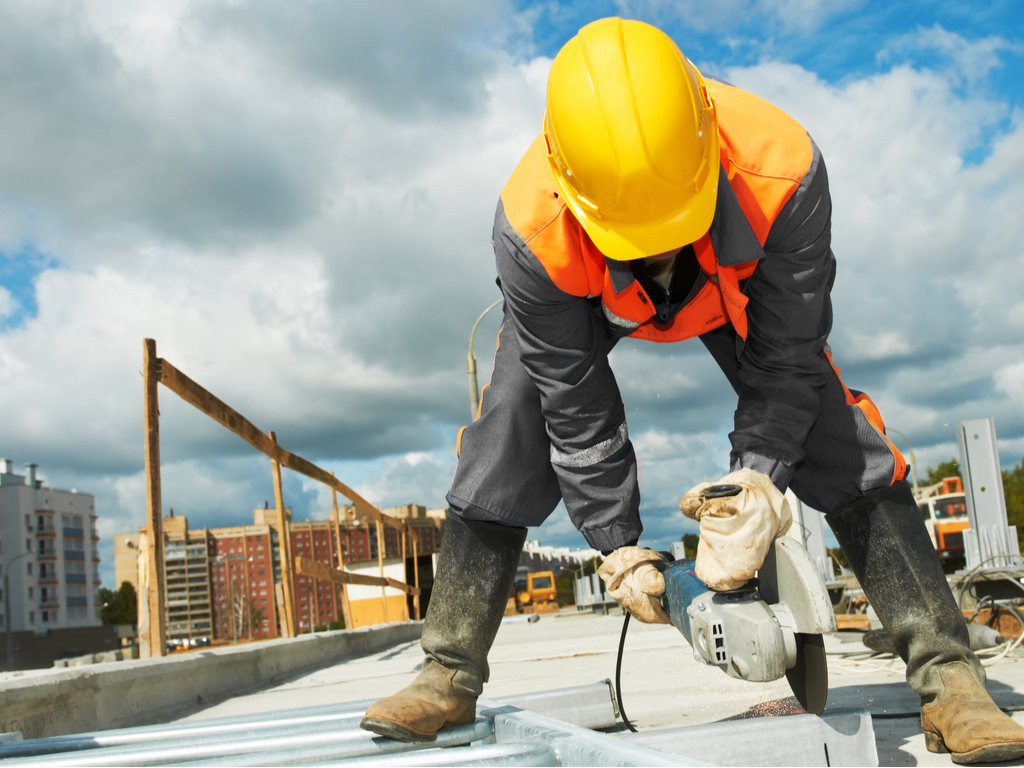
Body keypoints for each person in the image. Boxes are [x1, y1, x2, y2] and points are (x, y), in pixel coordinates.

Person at [360, 17, 1024, 763]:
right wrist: (617, 547)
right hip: (585, 297)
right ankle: (446, 670)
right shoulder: (531, 228)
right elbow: (576, 408)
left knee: (834, 429)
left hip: (731, 286)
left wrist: (754, 487)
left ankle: (950, 676)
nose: (659, 251)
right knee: (512, 421)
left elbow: (787, 360)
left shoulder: (783, 169)